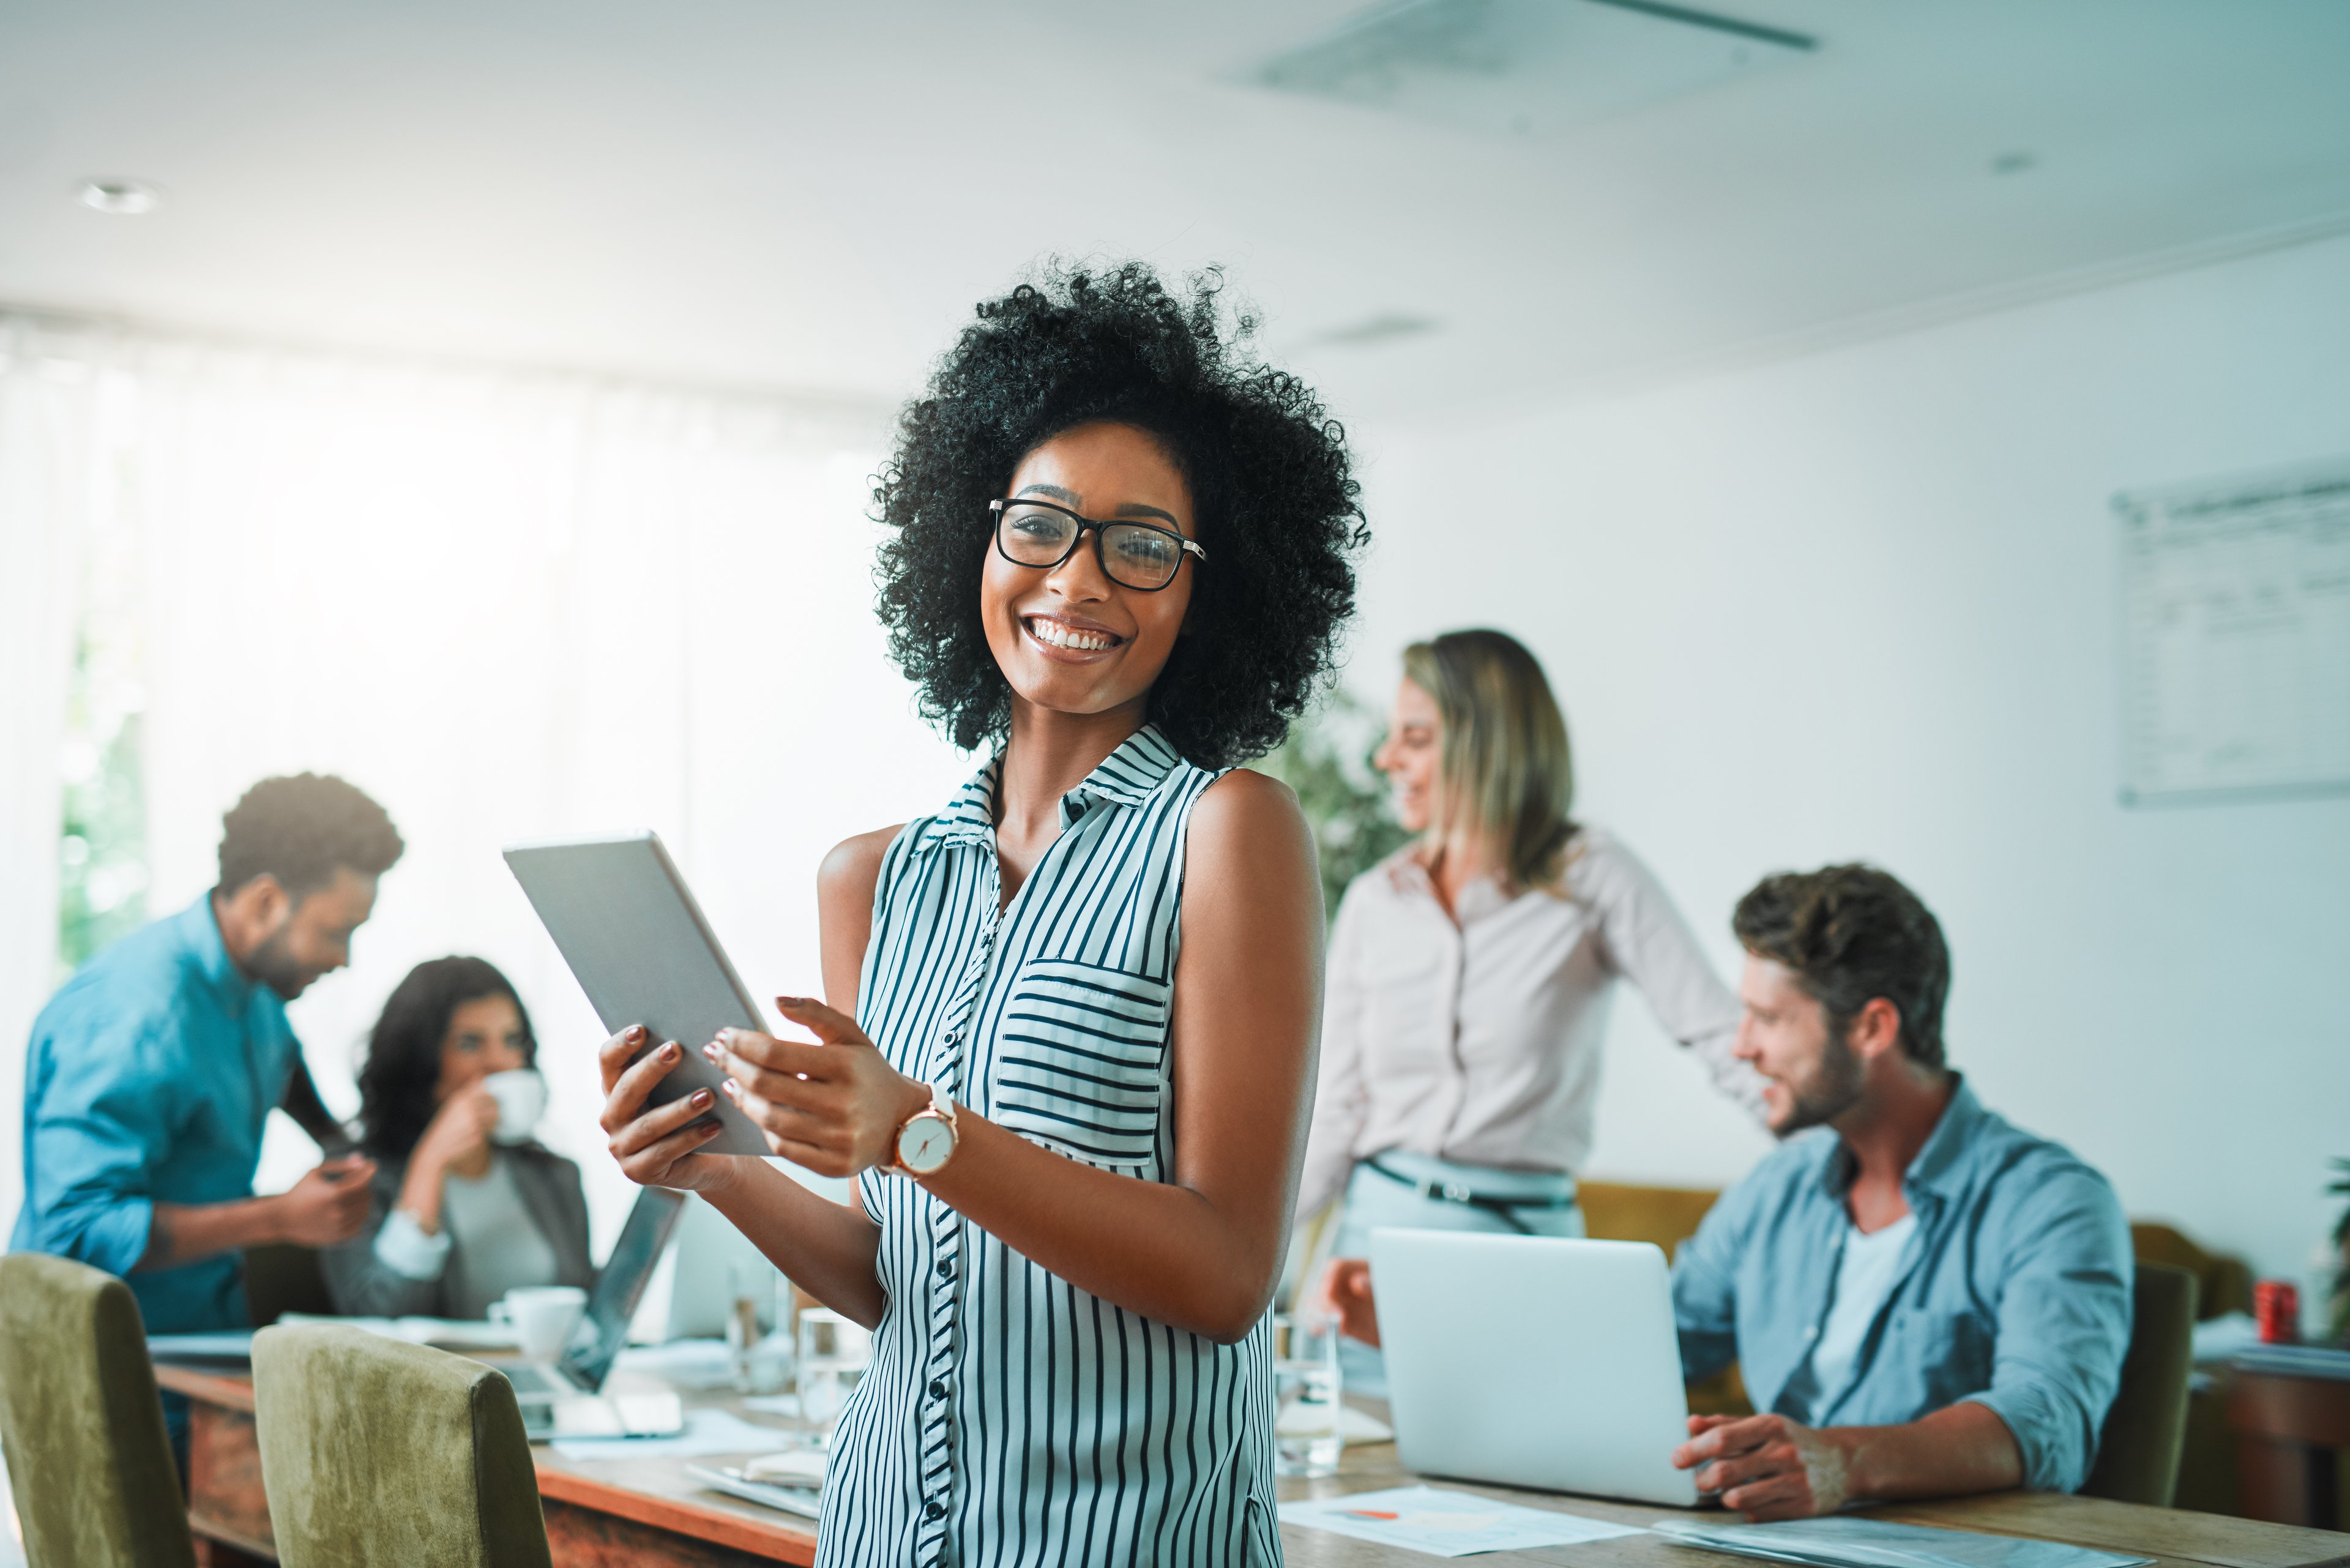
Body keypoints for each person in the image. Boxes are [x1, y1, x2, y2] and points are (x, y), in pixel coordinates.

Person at [594, 263, 1361, 1566]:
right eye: (1042, 526)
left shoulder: (1228, 834)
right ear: (978, 534)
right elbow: (891, 1276)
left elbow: (1229, 1276)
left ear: (1207, 592)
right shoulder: (873, 877)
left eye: (1142, 546)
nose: (1078, 580)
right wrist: (712, 1166)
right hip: (890, 1533)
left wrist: (921, 1128)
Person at [1327, 864, 2133, 1520]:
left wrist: (1842, 1460)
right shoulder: (1779, 1188)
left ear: (1873, 1028)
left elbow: (2047, 1418)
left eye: (1769, 1018)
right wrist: (1429, 1334)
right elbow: (1645, 1349)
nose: (1741, 1045)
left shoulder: (2053, 1202)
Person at [1303, 630, 1762, 1387]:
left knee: (1522, 1494)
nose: (1387, 760)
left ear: (1489, 746)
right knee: (1351, 1496)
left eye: (1415, 739)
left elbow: (1720, 1036)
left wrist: (1841, 1149)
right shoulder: (1377, 899)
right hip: (1368, 1263)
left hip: (1522, 1257)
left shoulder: (1594, 877)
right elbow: (1334, 1112)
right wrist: (1235, 1260)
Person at [14, 774, 403, 1433]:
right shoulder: (136, 1018)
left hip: (197, 1347)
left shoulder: (254, 982)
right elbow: (78, 1228)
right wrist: (279, 1218)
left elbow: (278, 1060)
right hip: (98, 1383)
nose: (344, 959)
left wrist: (337, 1140)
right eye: (337, 932)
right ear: (265, 901)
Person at [321, 957, 592, 1318]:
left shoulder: (556, 1176)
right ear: (419, 1060)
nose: (500, 1062)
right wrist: (430, 1164)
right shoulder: (356, 1178)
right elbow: (376, 1318)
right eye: (470, 1043)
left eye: (512, 1040)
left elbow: (583, 1307)